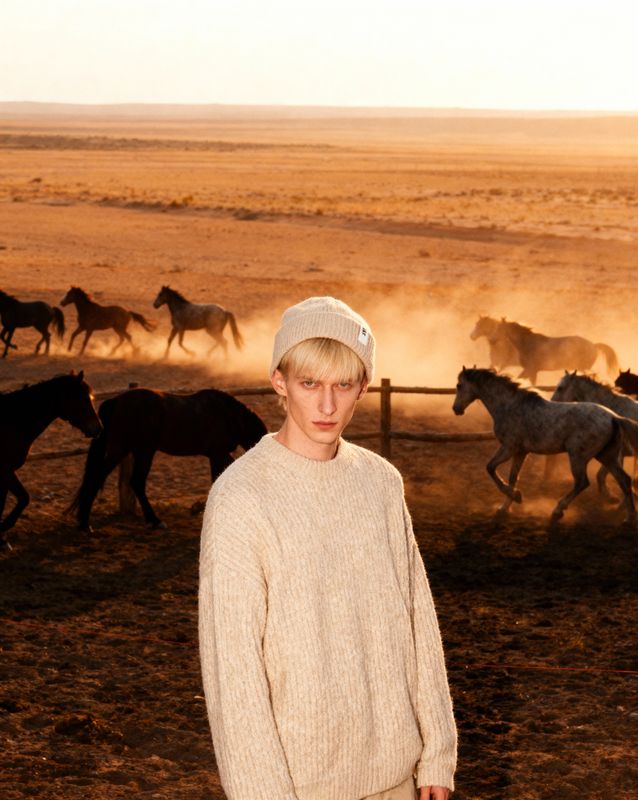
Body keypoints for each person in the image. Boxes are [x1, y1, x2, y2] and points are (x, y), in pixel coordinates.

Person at [199, 297, 457, 800]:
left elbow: (417, 623)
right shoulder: (240, 498)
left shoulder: (381, 483)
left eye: (343, 384)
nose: (327, 405)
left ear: (363, 385)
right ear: (280, 381)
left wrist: (438, 754)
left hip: (397, 779)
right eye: (309, 383)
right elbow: (234, 673)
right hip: (299, 787)